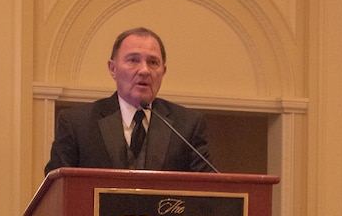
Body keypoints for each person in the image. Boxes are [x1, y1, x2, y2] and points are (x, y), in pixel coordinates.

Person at [44, 27, 215, 175]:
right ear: (113, 69)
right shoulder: (77, 123)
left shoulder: (187, 125)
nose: (144, 70)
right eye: (133, 60)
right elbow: (56, 191)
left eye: (153, 62)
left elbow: (210, 190)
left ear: (163, 72)